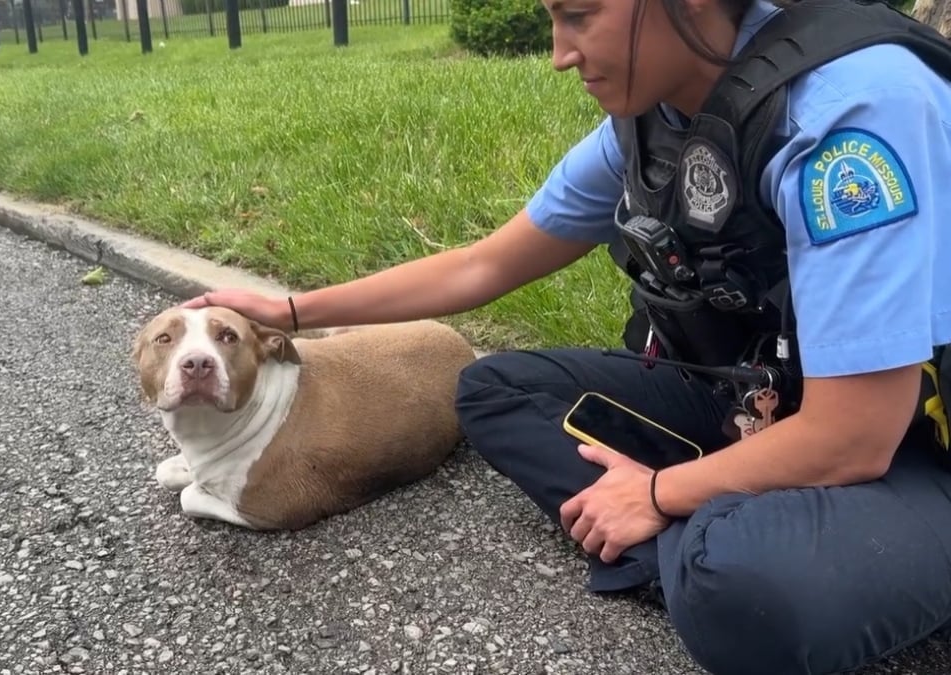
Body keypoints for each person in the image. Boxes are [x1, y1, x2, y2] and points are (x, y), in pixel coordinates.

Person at [182, 0, 951, 672]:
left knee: (739, 587)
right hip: (769, 399)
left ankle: (701, 542)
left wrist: (658, 490)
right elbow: (482, 266)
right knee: (494, 387)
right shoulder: (658, 120)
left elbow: (855, 436)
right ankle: (699, 532)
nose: (559, 53)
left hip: (915, 446)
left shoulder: (852, 118)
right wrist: (289, 312)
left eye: (580, 15)